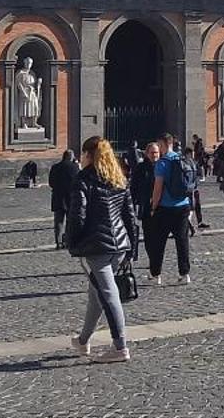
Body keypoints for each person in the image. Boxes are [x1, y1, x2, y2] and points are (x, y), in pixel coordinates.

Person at [66, 136, 138, 362]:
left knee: (108, 294)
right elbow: (130, 216)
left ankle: (120, 347)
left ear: (88, 155)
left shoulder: (84, 180)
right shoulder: (118, 178)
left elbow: (77, 215)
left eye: (83, 153)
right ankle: (83, 341)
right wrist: (132, 248)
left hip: (96, 245)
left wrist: (72, 242)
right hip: (119, 245)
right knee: (96, 294)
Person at [146, 136, 196, 285]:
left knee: (158, 242)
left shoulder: (162, 163)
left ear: (162, 144)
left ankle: (156, 275)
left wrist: (153, 206)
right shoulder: (183, 159)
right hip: (183, 205)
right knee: (182, 241)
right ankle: (184, 274)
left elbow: (158, 187)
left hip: (165, 208)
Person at [49, 148, 79, 249]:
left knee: (58, 222)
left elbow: (51, 183)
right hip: (70, 198)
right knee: (70, 221)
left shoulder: (55, 167)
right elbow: (78, 182)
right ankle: (67, 241)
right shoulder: (74, 167)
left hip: (58, 197)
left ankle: (58, 242)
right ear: (71, 157)